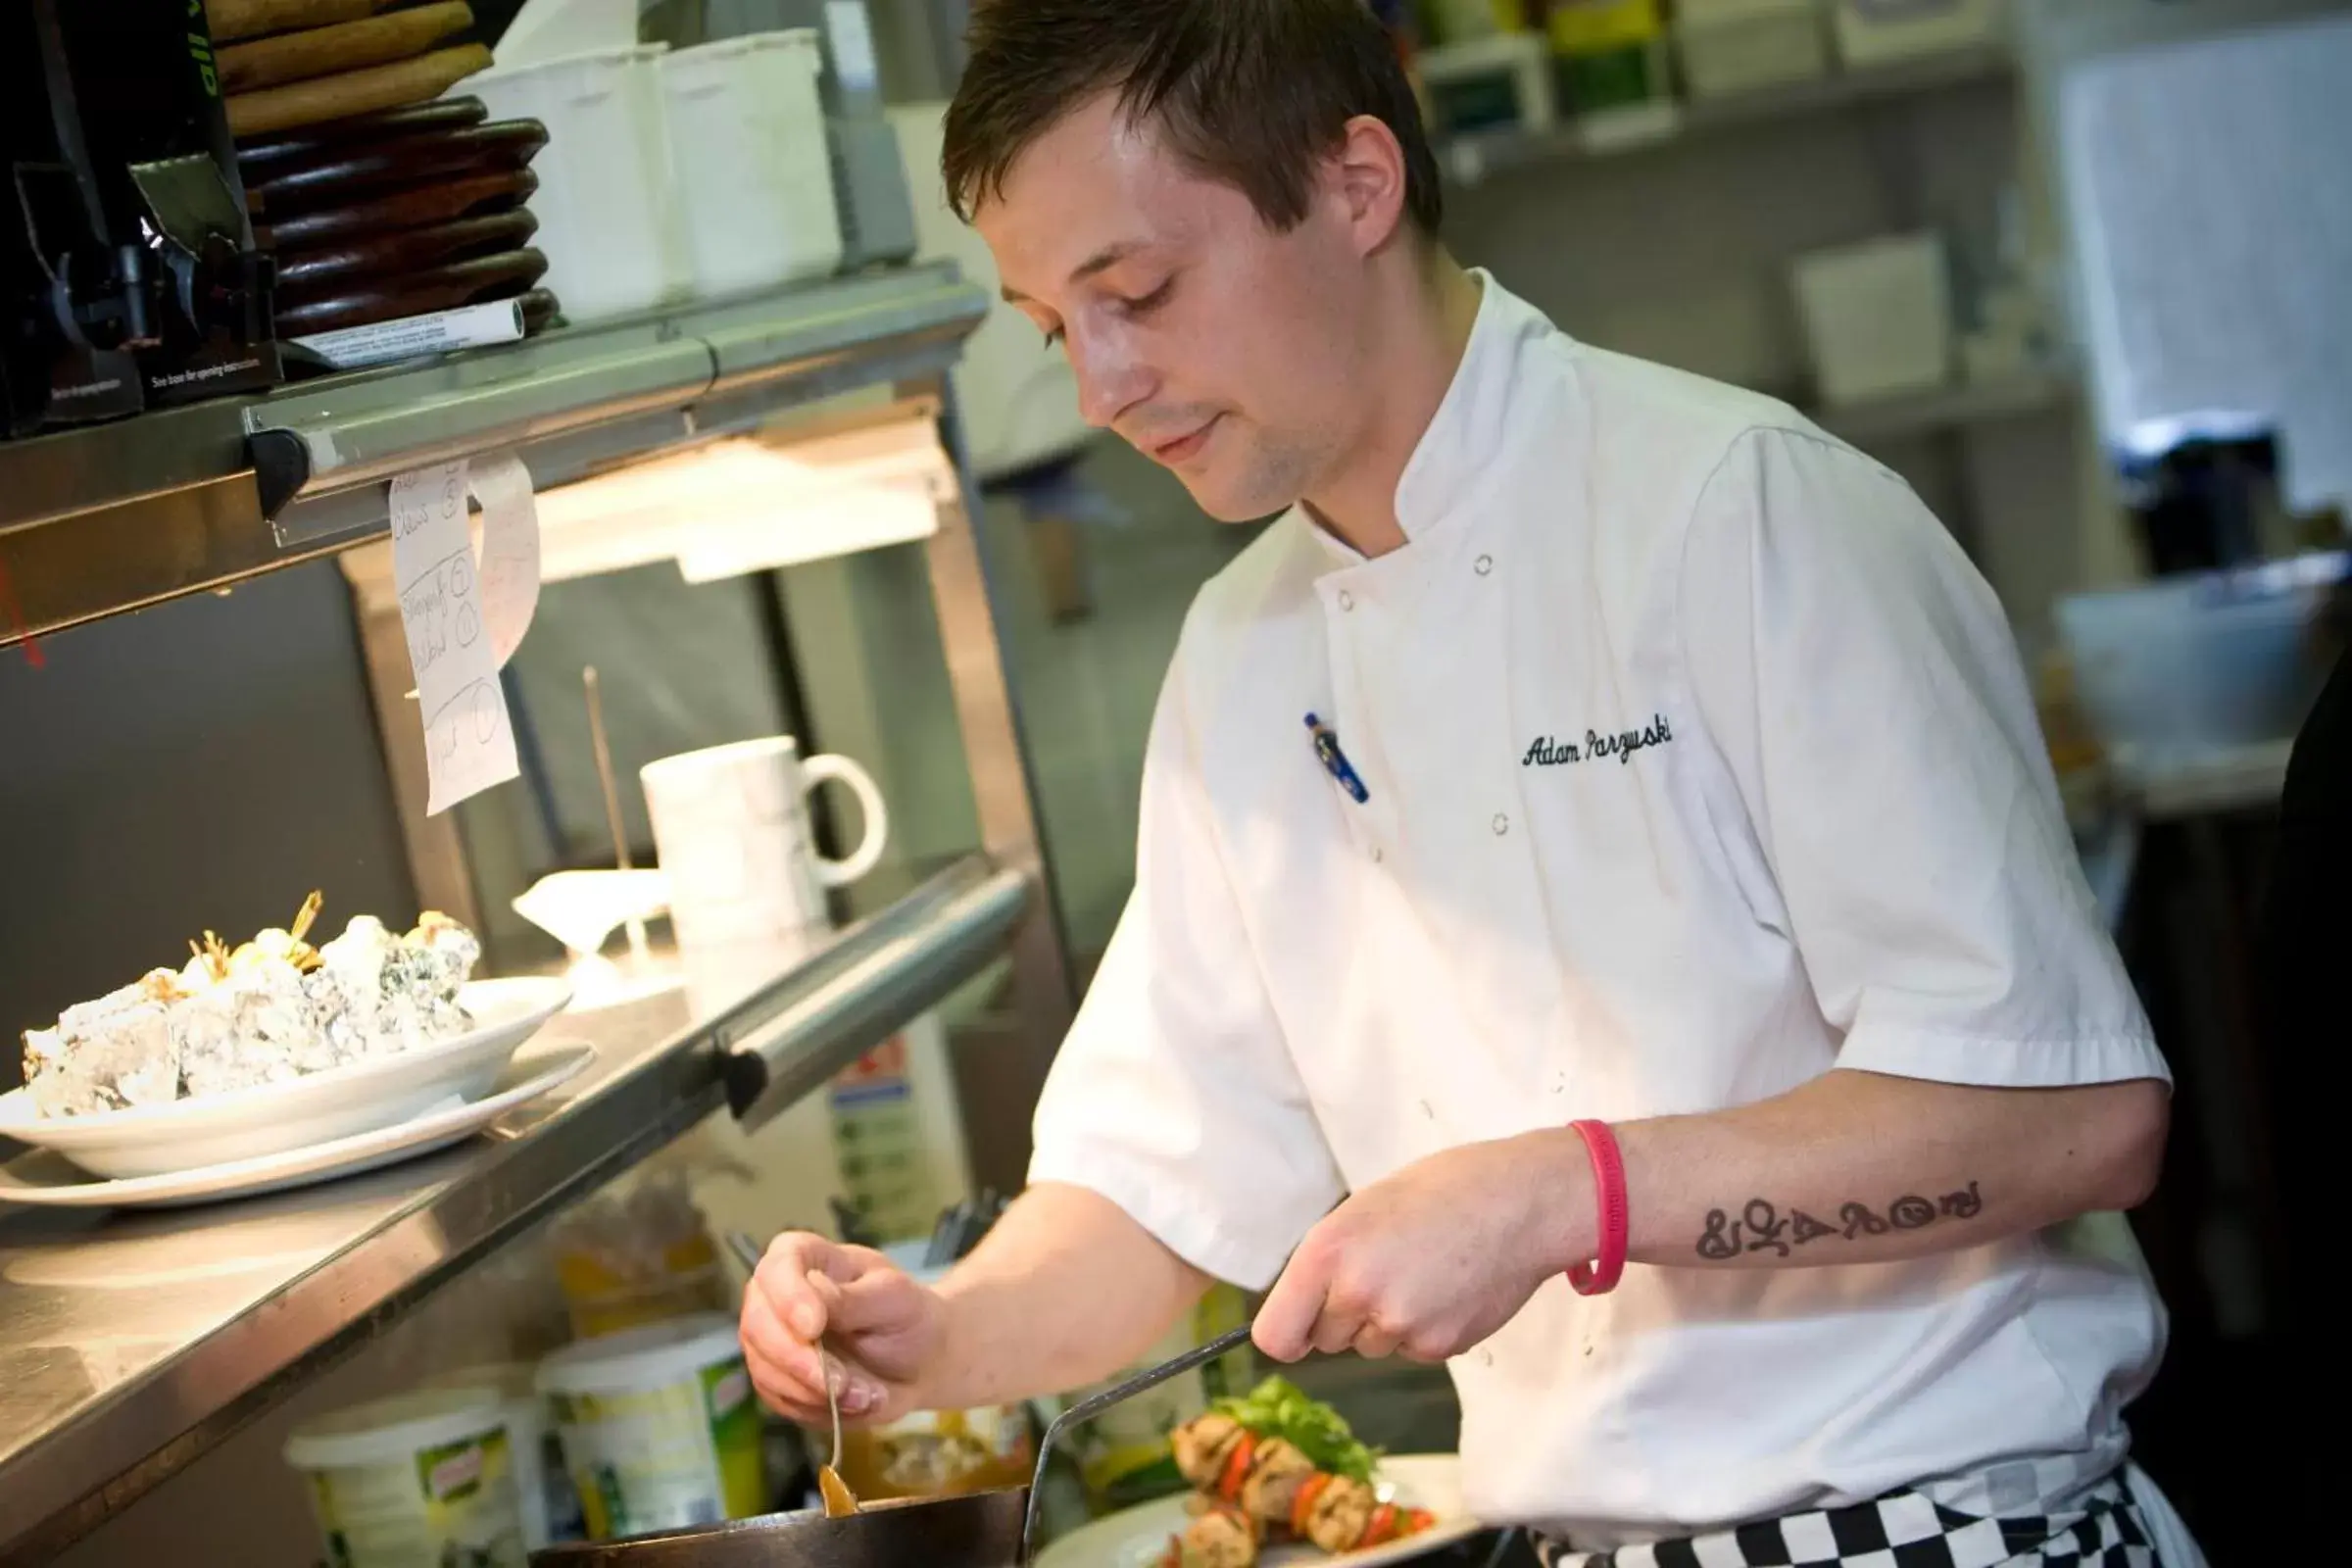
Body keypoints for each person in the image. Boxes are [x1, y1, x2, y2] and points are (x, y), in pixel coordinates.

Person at [742, 2, 2203, 1562]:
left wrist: (1563, 1194)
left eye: (1140, 291)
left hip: (1939, 1525)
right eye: (1051, 326)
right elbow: (1161, 1186)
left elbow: (2071, 1110)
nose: (1100, 384)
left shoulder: (1739, 514)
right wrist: (937, 1331)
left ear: (1359, 183)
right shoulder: (1242, 660)